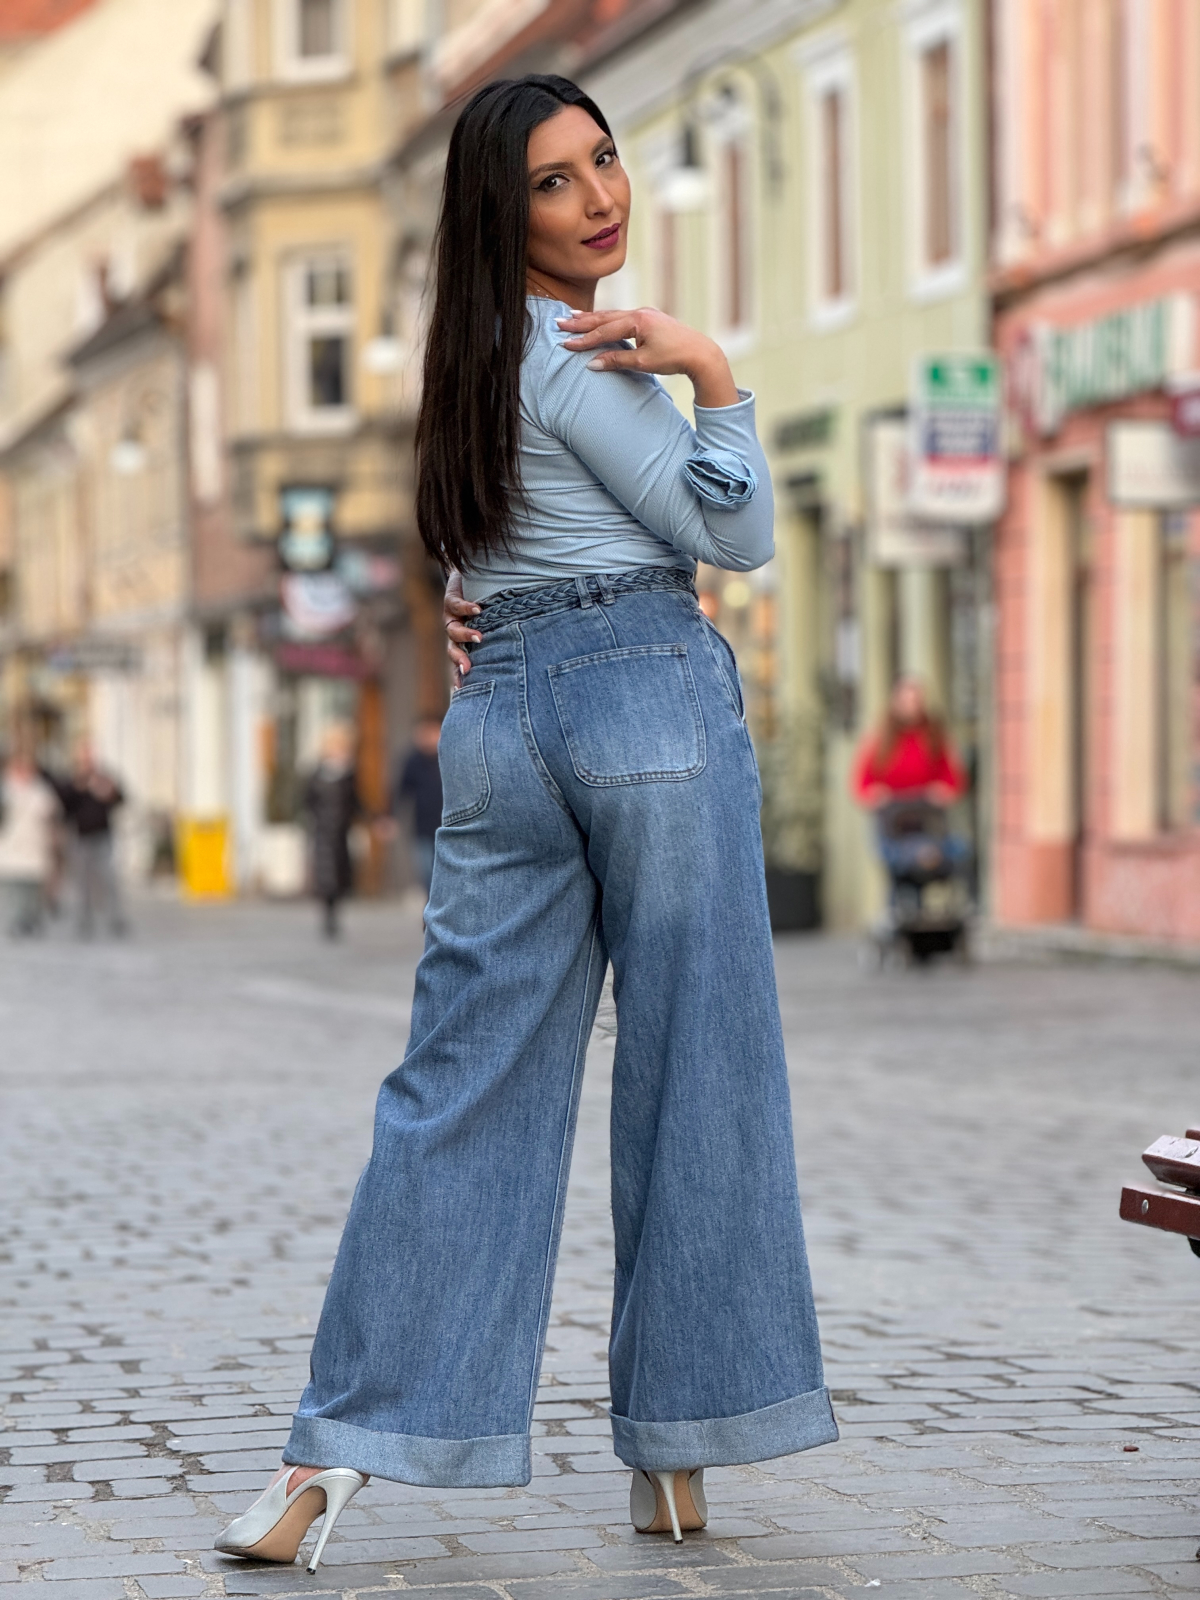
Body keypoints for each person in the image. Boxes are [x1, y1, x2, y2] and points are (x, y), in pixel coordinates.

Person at [216, 74, 836, 1575]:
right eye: (556, 181)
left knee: (457, 1082)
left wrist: (473, 602)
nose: (600, 197)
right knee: (698, 1069)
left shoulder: (470, 357)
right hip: (648, 703)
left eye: (604, 161)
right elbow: (736, 531)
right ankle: (681, 1443)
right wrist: (714, 372)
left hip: (499, 725)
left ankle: (328, 1457)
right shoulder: (582, 349)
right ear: (503, 213)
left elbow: (481, 549)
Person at [852, 676, 969, 909]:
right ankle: (897, 909)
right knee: (898, 859)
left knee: (954, 851)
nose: (911, 706)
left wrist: (943, 790)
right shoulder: (880, 739)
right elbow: (862, 783)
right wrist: (875, 794)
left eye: (916, 701)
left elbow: (954, 779)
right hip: (893, 823)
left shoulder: (934, 736)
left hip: (928, 822)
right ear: (895, 703)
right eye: (906, 701)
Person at [60, 744, 127, 938]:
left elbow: (121, 799)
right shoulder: (72, 781)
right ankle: (84, 920)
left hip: (103, 836)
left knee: (109, 878)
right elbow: (64, 806)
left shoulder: (104, 778)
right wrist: (78, 787)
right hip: (80, 837)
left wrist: (108, 792)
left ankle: (115, 918)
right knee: (82, 882)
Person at [303, 723, 362, 940]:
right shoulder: (316, 774)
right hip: (322, 832)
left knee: (340, 874)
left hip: (342, 833)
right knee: (325, 875)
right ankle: (328, 915)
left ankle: (335, 912)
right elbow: (307, 800)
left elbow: (356, 801)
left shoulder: (349, 774)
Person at [0, 741, 60, 937]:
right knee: (14, 889)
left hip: (34, 847)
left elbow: (52, 813)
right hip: (10, 848)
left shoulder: (40, 790)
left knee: (33, 891)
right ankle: (17, 922)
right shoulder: (4, 789)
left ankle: (32, 921)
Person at [391, 716, 442, 894]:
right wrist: (390, 816)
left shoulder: (449, 757)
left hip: (447, 826)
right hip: (422, 827)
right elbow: (401, 791)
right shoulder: (413, 761)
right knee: (426, 871)